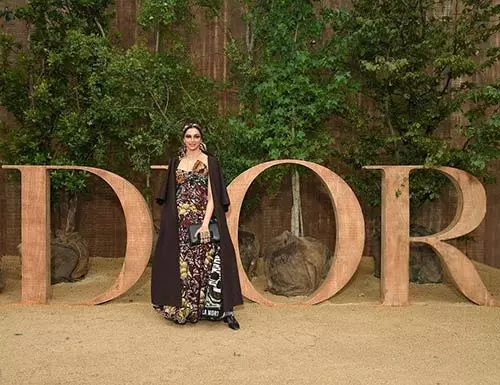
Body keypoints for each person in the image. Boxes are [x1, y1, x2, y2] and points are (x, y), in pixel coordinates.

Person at [151, 122, 243, 330]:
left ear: (201, 139)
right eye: (188, 136)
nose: (192, 140)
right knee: (185, 266)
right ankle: (187, 310)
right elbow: (170, 195)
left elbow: (213, 196)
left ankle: (223, 311)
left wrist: (204, 225)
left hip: (203, 220)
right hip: (180, 222)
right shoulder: (176, 162)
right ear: (183, 139)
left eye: (196, 136)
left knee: (206, 263)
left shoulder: (210, 161)